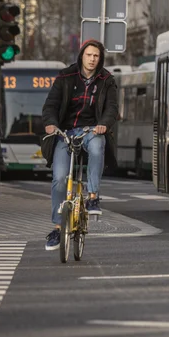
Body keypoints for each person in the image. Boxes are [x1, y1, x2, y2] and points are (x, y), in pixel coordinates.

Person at [41, 39, 118, 251]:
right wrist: (50, 124)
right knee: (59, 178)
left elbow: (112, 108)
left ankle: (93, 198)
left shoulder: (107, 80)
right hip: (65, 133)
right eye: (89, 55)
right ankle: (57, 227)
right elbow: (50, 105)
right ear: (81, 55)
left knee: (97, 146)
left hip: (91, 131)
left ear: (100, 59)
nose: (92, 59)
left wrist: (103, 124)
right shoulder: (65, 76)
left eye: (96, 56)